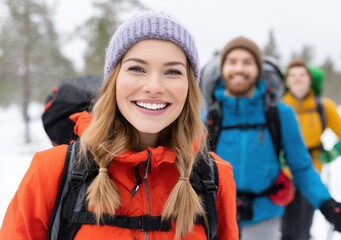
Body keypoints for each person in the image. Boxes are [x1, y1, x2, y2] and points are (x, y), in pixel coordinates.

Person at [0, 11, 239, 240]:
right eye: (137, 68)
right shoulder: (52, 171)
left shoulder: (216, 176)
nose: (154, 86)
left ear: (189, 87)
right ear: (114, 80)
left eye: (172, 71)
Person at [205, 36, 341, 240]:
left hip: (265, 216)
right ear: (222, 70)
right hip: (216, 215)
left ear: (258, 70)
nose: (239, 68)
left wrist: (327, 205)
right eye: (232, 62)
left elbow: (301, 168)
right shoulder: (208, 115)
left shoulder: (279, 113)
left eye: (247, 62)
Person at [281, 59, 341, 240]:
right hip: (281, 174)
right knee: (283, 227)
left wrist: (332, 153)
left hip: (311, 172)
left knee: (302, 226)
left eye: (302, 75)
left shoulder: (323, 106)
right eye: (293, 75)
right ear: (286, 81)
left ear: (310, 79)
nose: (298, 79)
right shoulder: (278, 106)